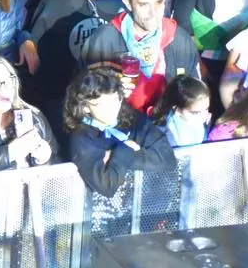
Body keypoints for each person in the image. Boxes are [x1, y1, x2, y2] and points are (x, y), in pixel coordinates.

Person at [63, 66, 176, 197]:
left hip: (142, 203)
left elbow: (168, 158)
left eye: (115, 99)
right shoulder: (81, 137)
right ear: (85, 107)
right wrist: (126, 149)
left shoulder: (133, 118)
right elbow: (107, 186)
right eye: (101, 104)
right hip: (101, 213)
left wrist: (116, 155)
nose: (111, 109)